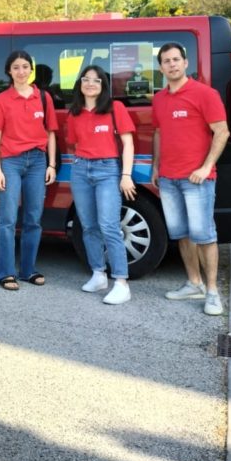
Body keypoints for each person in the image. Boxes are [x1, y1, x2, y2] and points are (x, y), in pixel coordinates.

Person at [151, 42, 230, 316]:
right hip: (169, 179)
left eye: (176, 60)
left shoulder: (204, 94)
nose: (171, 65)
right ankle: (193, 283)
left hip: (197, 179)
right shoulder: (159, 99)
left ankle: (212, 293)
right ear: (160, 67)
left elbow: (222, 132)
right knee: (182, 235)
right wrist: (156, 166)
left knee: (205, 235)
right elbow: (160, 133)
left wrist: (207, 167)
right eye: (166, 61)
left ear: (186, 63)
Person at [66, 65, 137, 305]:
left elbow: (128, 143)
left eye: (96, 81)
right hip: (81, 169)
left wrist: (125, 175)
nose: (90, 84)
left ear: (103, 85)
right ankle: (98, 274)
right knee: (88, 226)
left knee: (109, 226)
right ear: (80, 84)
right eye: (86, 80)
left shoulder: (115, 108)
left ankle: (121, 282)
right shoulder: (74, 113)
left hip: (108, 170)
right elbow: (74, 144)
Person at [0, 49, 58, 290]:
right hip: (10, 161)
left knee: (33, 218)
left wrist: (51, 164)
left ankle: (28, 270)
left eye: (25, 67)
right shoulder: (1, 100)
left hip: (38, 162)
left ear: (31, 69)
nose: (21, 71)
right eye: (16, 67)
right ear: (9, 71)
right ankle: (5, 273)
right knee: (7, 218)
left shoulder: (43, 98)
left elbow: (51, 133)